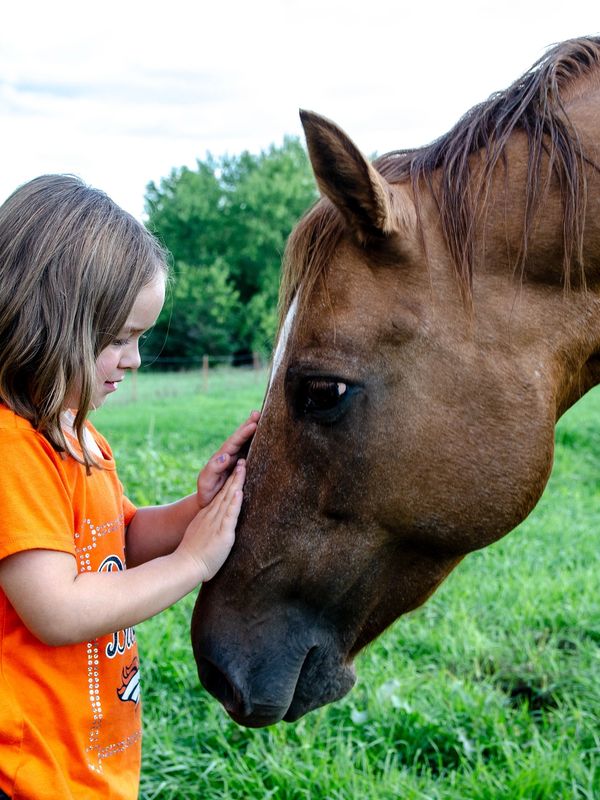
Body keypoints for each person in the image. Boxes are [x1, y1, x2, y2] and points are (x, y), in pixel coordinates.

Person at [0, 175, 259, 800]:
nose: (135, 359)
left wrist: (198, 505)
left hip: (85, 764)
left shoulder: (77, 435)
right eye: (118, 339)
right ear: (46, 321)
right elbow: (56, 610)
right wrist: (193, 563)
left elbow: (123, 538)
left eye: (139, 338)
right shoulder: (12, 448)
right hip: (27, 772)